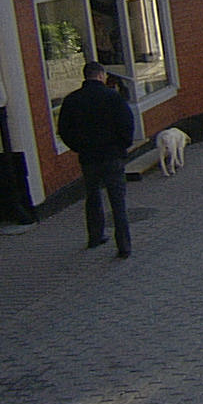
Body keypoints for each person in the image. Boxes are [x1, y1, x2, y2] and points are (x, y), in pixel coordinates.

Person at [56, 61, 136, 259]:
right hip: (112, 156)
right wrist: (122, 146)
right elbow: (127, 124)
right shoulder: (113, 97)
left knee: (92, 196)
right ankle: (124, 245)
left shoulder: (72, 100)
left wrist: (78, 147)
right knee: (117, 201)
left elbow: (64, 130)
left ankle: (95, 236)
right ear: (101, 75)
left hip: (88, 157)